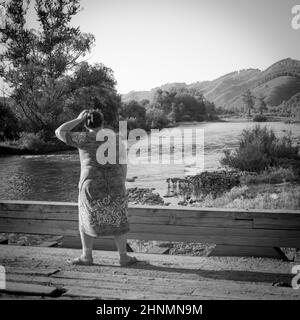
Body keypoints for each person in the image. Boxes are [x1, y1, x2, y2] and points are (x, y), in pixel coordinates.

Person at [55, 109, 137, 266]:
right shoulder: (116, 139)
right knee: (118, 218)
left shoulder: (82, 137)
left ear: (86, 125)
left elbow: (59, 131)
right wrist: (121, 182)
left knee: (86, 218)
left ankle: (87, 256)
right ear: (103, 123)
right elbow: (123, 163)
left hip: (90, 184)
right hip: (114, 182)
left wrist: (78, 119)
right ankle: (123, 257)